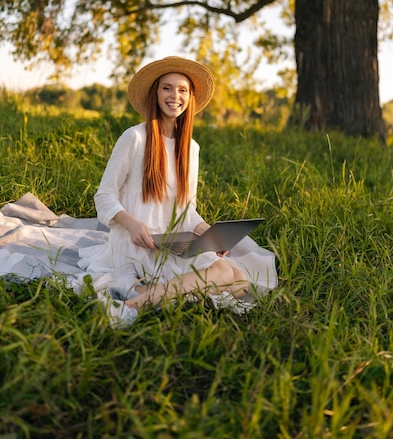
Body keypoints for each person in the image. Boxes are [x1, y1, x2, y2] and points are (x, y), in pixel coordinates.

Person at [78, 56, 277, 327]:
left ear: (190, 97)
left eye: (182, 90)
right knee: (221, 273)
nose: (175, 96)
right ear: (155, 94)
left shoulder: (191, 148)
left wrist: (208, 233)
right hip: (137, 242)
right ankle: (130, 306)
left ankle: (148, 293)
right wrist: (132, 224)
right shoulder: (134, 138)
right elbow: (104, 196)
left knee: (240, 281)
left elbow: (187, 210)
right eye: (167, 88)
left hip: (171, 241)